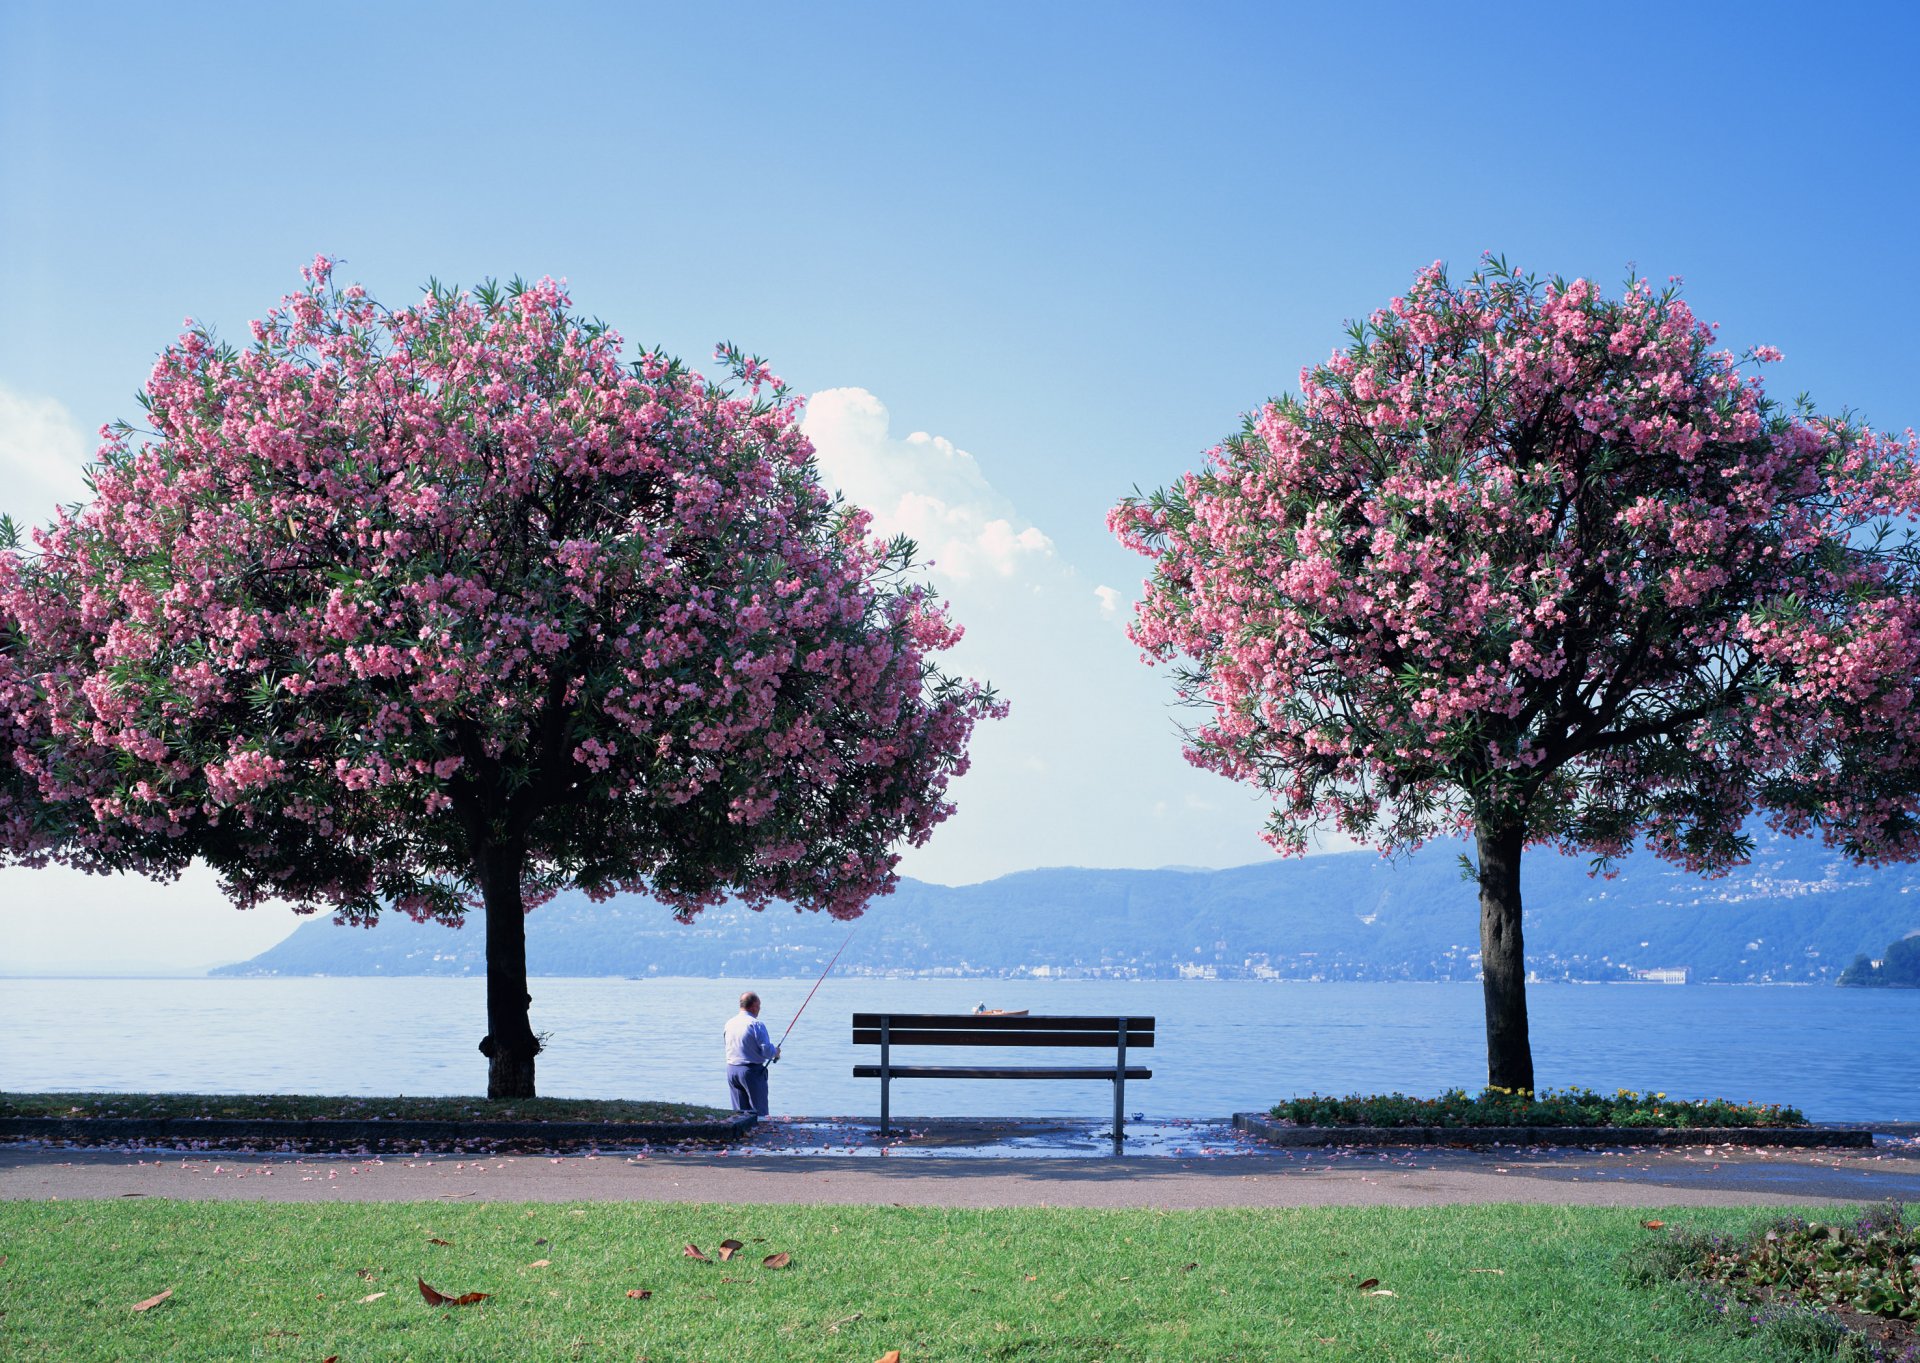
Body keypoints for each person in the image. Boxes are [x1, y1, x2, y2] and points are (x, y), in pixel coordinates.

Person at [723, 990, 780, 1117]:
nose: (759, 1010)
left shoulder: (729, 1023)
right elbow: (767, 1051)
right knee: (759, 1114)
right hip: (751, 1072)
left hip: (732, 1070)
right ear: (754, 1006)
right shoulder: (756, 1024)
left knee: (739, 1115)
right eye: (759, 1007)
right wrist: (776, 1052)